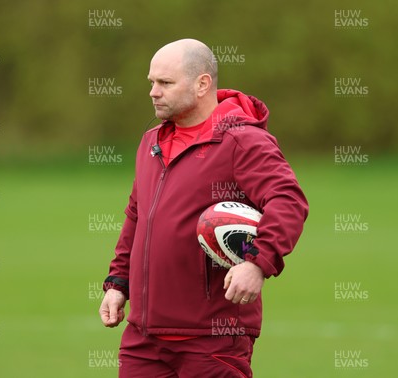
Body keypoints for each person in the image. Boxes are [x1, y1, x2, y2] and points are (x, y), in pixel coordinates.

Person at [99, 38, 309, 377]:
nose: (153, 91)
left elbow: (288, 199)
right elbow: (137, 218)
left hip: (212, 340)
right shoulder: (150, 142)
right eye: (151, 82)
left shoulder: (242, 140)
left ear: (202, 84)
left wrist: (258, 263)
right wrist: (118, 283)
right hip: (144, 339)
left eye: (165, 83)